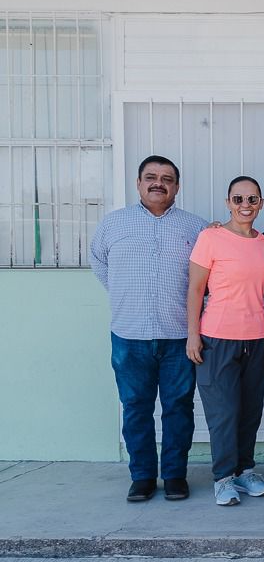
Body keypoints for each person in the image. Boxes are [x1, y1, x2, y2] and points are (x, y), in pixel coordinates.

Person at [90, 155, 207, 502]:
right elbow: (99, 262)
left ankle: (174, 476)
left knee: (178, 408)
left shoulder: (196, 227)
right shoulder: (114, 224)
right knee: (136, 408)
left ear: (177, 186)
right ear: (139, 183)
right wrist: (129, 295)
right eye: (151, 177)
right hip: (129, 335)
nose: (159, 183)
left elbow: (208, 277)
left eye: (167, 178)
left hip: (179, 337)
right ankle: (141, 477)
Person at [186, 176, 264, 506]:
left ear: (261, 203)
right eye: (238, 199)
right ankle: (223, 478)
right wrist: (193, 335)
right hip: (217, 337)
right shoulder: (210, 237)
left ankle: (245, 471)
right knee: (223, 412)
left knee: (250, 410)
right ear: (228, 203)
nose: (245, 206)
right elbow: (195, 289)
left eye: (252, 199)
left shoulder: (263, 243)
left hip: (256, 336)